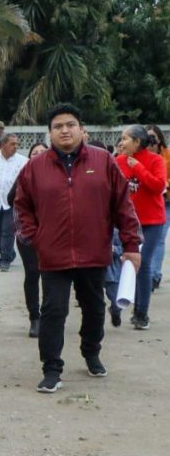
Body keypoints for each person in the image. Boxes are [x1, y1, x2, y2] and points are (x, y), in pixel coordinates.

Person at [15, 104, 142, 393]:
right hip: (53, 256)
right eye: (58, 126)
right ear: (50, 133)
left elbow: (123, 205)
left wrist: (131, 245)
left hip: (94, 253)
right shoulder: (35, 167)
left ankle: (91, 351)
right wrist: (37, 239)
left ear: (81, 129)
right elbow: (22, 207)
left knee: (95, 309)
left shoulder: (104, 161)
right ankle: (51, 368)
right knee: (53, 312)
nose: (65, 131)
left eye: (70, 124)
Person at [115, 125, 167, 330]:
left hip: (152, 222)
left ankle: (141, 313)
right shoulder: (117, 161)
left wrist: (137, 167)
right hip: (128, 223)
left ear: (137, 142)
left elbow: (157, 186)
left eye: (125, 138)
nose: (121, 142)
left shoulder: (156, 161)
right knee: (125, 262)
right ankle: (119, 304)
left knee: (143, 265)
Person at [14, 143, 49, 337]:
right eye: (34, 153)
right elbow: (12, 198)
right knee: (33, 272)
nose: (38, 155)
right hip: (27, 235)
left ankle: (49, 316)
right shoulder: (25, 173)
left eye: (42, 152)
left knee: (51, 275)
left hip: (53, 235)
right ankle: (34, 317)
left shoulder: (57, 174)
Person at [0, 134, 28, 272]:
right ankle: (9, 253)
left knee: (7, 231)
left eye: (17, 144)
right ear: (3, 145)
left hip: (13, 203)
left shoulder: (23, 161)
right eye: (13, 144)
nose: (16, 147)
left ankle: (5, 260)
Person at [145, 125, 169, 290]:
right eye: (148, 137)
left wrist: (166, 184)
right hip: (149, 200)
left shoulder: (167, 155)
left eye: (153, 136)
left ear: (160, 138)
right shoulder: (142, 156)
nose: (151, 140)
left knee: (159, 239)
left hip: (166, 200)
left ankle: (154, 275)